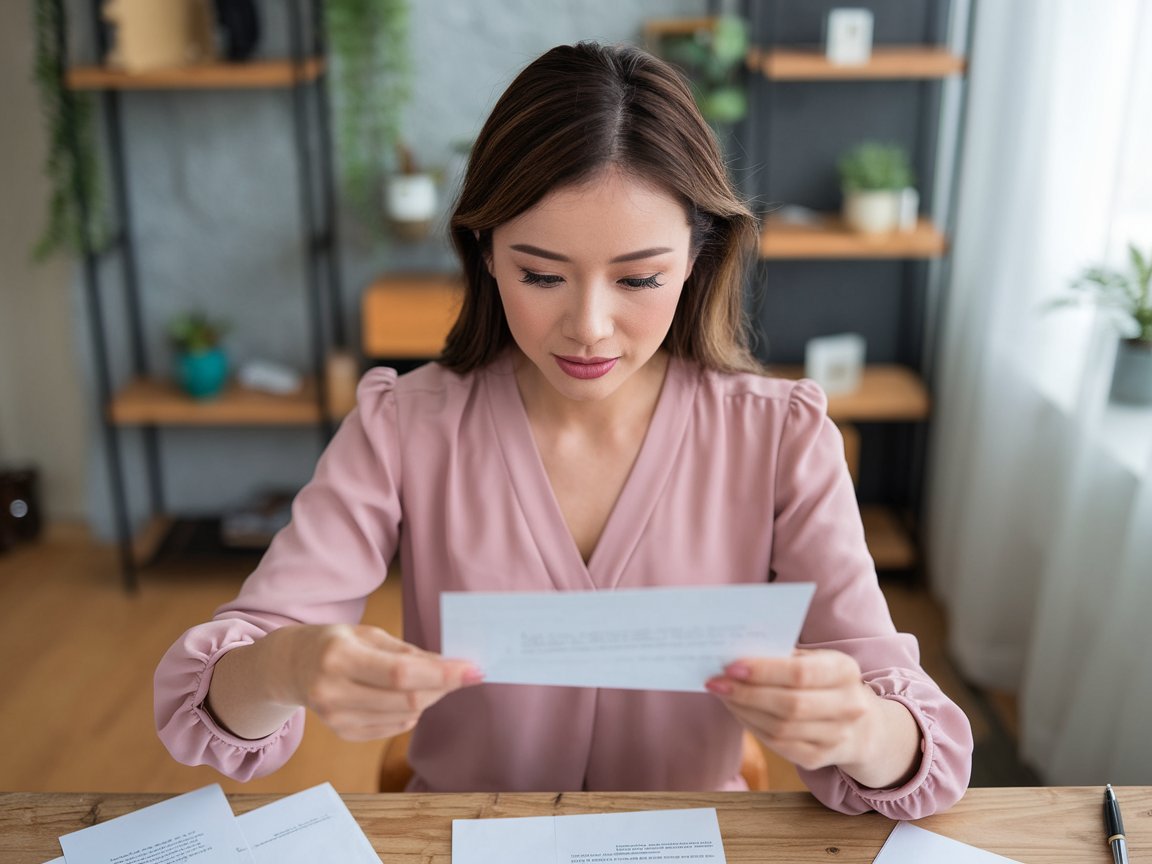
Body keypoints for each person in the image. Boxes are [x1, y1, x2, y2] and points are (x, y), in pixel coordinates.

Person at [155, 41, 972, 818]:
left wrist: (862, 729)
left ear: (698, 256)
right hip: (461, 839)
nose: (589, 327)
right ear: (483, 252)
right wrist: (291, 664)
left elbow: (924, 749)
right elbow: (211, 700)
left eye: (639, 278)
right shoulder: (403, 424)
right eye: (541, 274)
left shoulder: (782, 438)